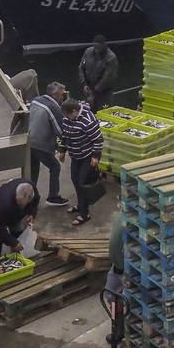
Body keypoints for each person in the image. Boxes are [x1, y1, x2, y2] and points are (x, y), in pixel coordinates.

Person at [58, 98, 103, 226]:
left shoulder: (88, 120)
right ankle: (81, 204)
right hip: (75, 156)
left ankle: (84, 214)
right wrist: (62, 150)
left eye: (67, 115)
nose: (65, 118)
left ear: (73, 111)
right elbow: (65, 135)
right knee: (75, 179)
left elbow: (98, 139)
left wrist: (95, 156)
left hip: (87, 157)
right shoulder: (68, 119)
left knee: (82, 183)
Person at [26, 82, 70, 207]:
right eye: (63, 95)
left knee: (33, 170)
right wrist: (64, 147)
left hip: (28, 141)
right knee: (55, 167)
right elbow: (62, 132)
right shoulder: (53, 108)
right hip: (41, 144)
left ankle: (29, 196)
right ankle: (53, 197)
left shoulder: (36, 100)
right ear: (56, 94)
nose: (64, 97)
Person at [0, 178, 39, 258]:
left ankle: (17, 256)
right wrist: (13, 242)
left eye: (22, 204)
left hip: (14, 213)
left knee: (18, 232)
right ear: (15, 195)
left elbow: (35, 201)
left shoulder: (31, 188)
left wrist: (31, 214)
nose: (19, 205)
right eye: (18, 202)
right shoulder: (4, 205)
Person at [78, 35, 119, 109]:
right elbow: (81, 67)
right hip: (89, 90)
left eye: (99, 47)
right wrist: (84, 84)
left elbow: (108, 78)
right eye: (95, 47)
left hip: (104, 93)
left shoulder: (111, 58)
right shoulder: (88, 52)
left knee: (103, 115)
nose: (96, 49)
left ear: (104, 45)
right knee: (88, 112)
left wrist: (94, 93)